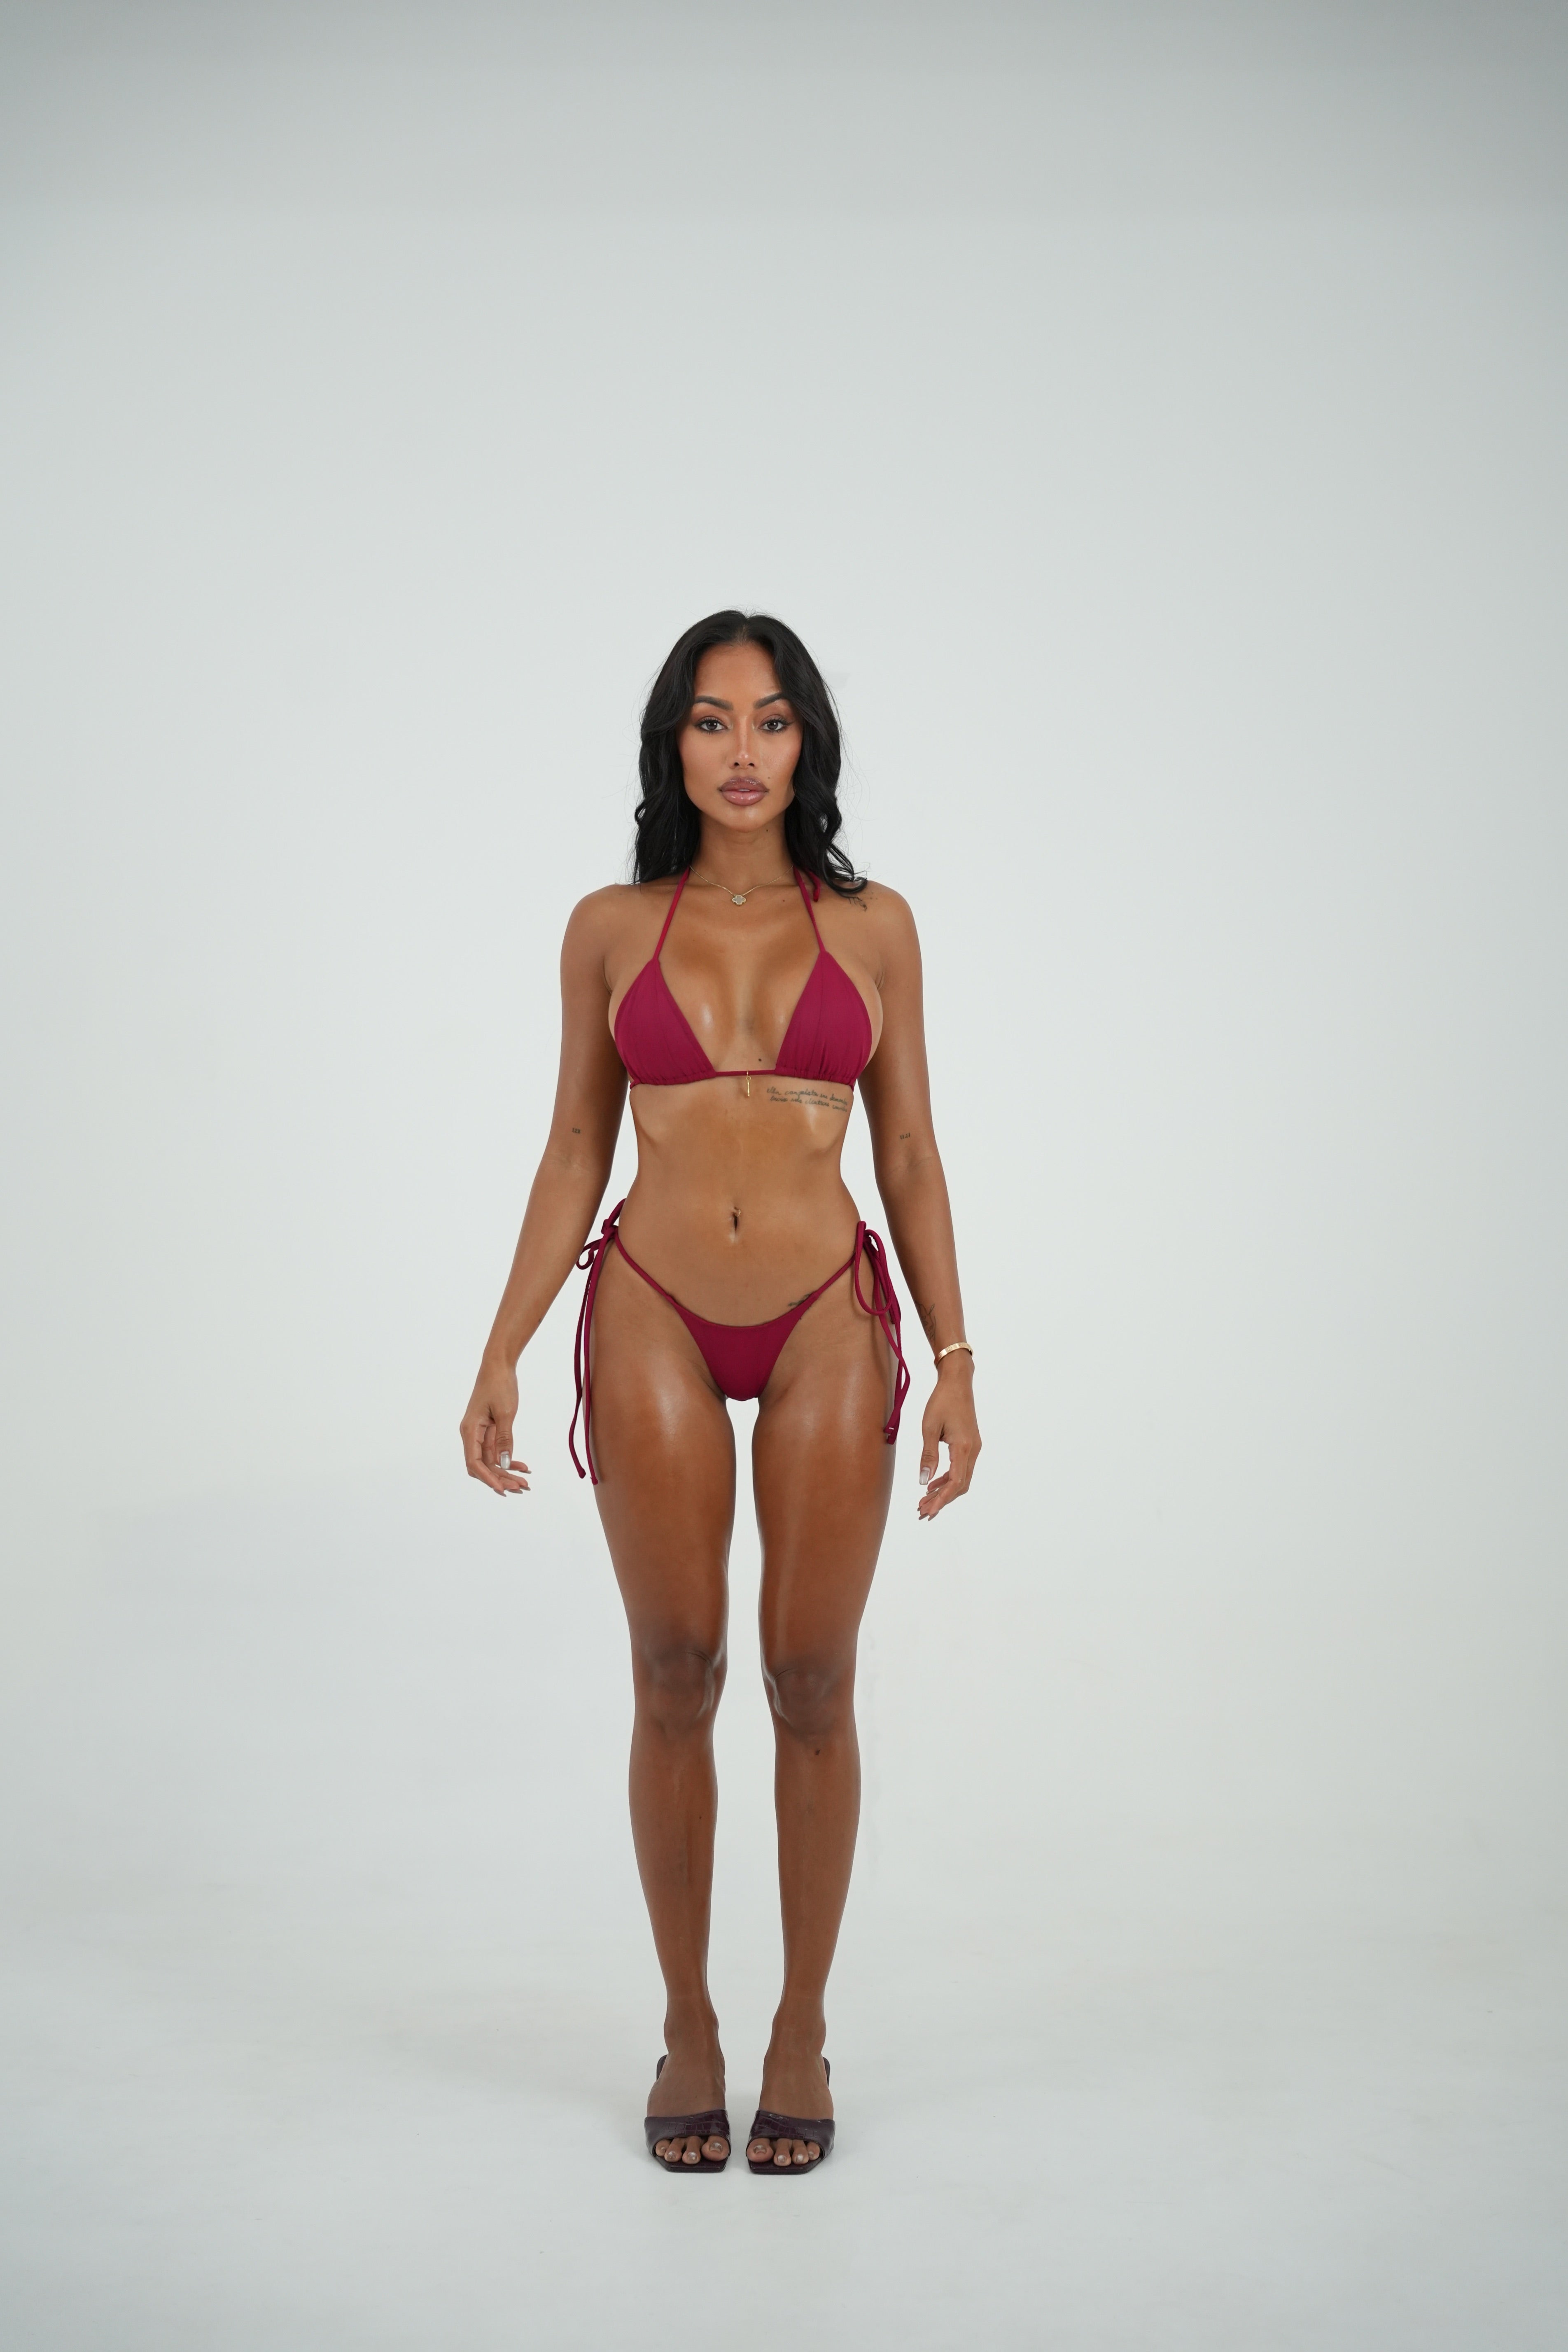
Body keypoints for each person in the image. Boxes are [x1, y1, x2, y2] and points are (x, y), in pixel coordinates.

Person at [460, 610, 980, 2175]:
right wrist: (501, 1346)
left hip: (826, 1315)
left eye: (769, 720)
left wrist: (957, 1359)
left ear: (807, 740)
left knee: (811, 1680)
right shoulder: (609, 927)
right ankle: (688, 2022)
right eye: (709, 720)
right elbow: (576, 1144)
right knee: (675, 1670)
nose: (741, 751)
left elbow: (909, 1151)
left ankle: (799, 2025)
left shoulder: (876, 927)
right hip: (654, 1312)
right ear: (671, 745)